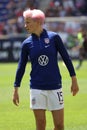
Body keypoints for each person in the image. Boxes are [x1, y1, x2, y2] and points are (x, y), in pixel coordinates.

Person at [12, 9, 79, 130]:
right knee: (41, 124)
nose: (25, 25)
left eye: (28, 22)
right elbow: (21, 66)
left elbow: (66, 58)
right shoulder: (26, 44)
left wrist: (74, 79)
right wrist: (16, 88)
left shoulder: (54, 38)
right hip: (37, 88)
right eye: (25, 22)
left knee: (59, 126)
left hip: (55, 86)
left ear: (38, 21)